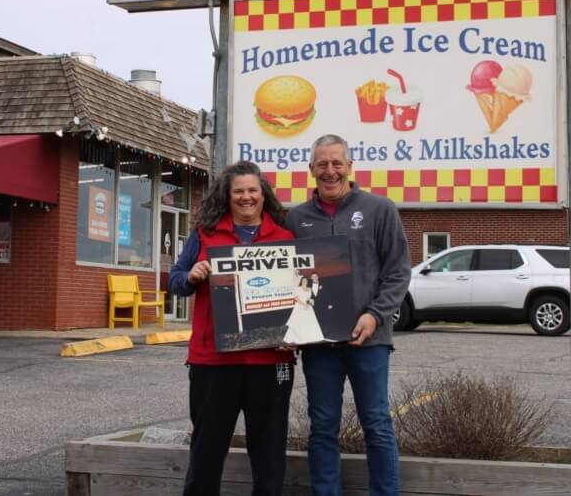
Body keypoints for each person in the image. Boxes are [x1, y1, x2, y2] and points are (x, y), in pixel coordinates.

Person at [286, 134, 411, 496]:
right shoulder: (297, 218)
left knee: (376, 422)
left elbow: (399, 271)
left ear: (350, 166)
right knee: (322, 425)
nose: (330, 171)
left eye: (337, 163)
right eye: (322, 164)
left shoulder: (379, 209)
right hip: (318, 343)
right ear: (311, 170)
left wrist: (375, 315)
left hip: (369, 339)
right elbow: (287, 279)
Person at [168, 161, 295, 496]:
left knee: (268, 455)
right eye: (238, 191)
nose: (246, 197)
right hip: (214, 362)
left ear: (263, 195)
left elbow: (305, 293)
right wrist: (192, 275)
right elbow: (175, 280)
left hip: (271, 362)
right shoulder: (205, 234)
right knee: (207, 450)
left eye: (252, 190)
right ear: (227, 196)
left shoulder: (286, 237)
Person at [283, 275, 325, 345]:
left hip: (308, 308)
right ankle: (299, 338)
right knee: (299, 323)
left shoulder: (309, 289)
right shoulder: (298, 288)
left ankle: (310, 337)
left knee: (309, 322)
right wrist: (303, 304)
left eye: (306, 281)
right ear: (301, 281)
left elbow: (311, 297)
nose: (305, 282)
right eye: (303, 281)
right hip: (300, 307)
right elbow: (296, 298)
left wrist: (310, 302)